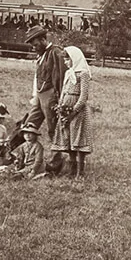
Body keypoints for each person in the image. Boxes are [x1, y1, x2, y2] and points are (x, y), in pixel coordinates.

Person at [51, 45, 94, 178]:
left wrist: (73, 111)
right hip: (65, 109)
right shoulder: (68, 73)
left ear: (75, 59)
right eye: (64, 59)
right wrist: (61, 107)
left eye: (67, 59)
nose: (65, 62)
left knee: (78, 139)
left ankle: (80, 172)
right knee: (68, 138)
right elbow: (64, 91)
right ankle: (71, 169)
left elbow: (83, 96)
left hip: (77, 111)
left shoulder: (83, 74)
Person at [23, 26, 65, 141]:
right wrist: (35, 95)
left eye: (36, 45)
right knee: (29, 124)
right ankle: (23, 151)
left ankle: (56, 156)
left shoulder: (55, 52)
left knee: (53, 127)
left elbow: (61, 76)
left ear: (43, 40)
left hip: (51, 96)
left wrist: (61, 98)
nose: (34, 48)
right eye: (32, 46)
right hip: (40, 95)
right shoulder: (42, 55)